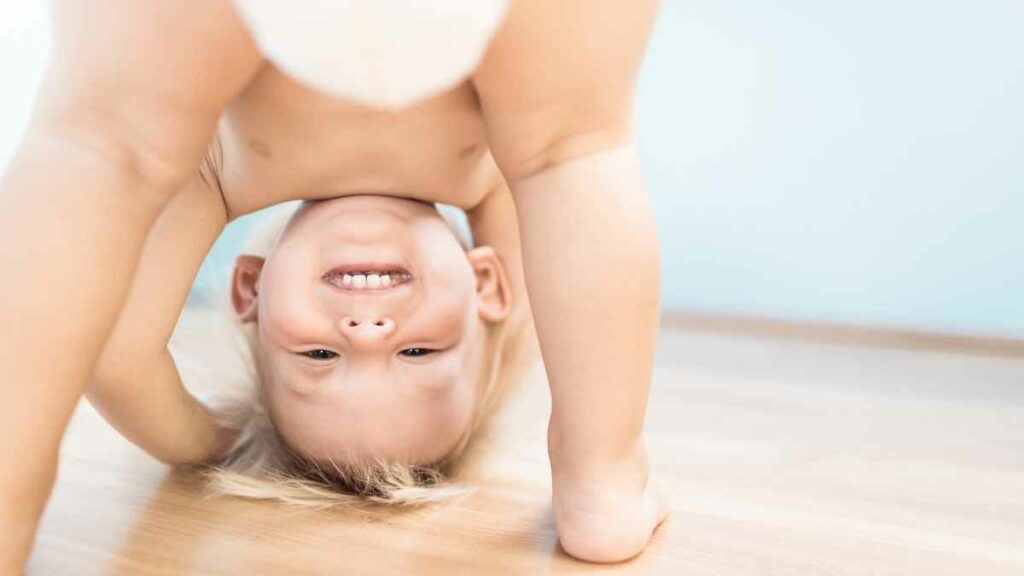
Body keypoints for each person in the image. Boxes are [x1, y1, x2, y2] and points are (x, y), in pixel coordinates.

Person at [0, 0, 667, 568]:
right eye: (419, 353)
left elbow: (116, 353)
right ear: (485, 283)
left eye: (319, 357)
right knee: (571, 150)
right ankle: (602, 483)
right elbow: (551, 286)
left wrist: (204, 438)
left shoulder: (221, 171)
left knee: (110, 148)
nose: (367, 332)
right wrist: (594, 447)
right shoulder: (502, 188)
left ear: (251, 293)